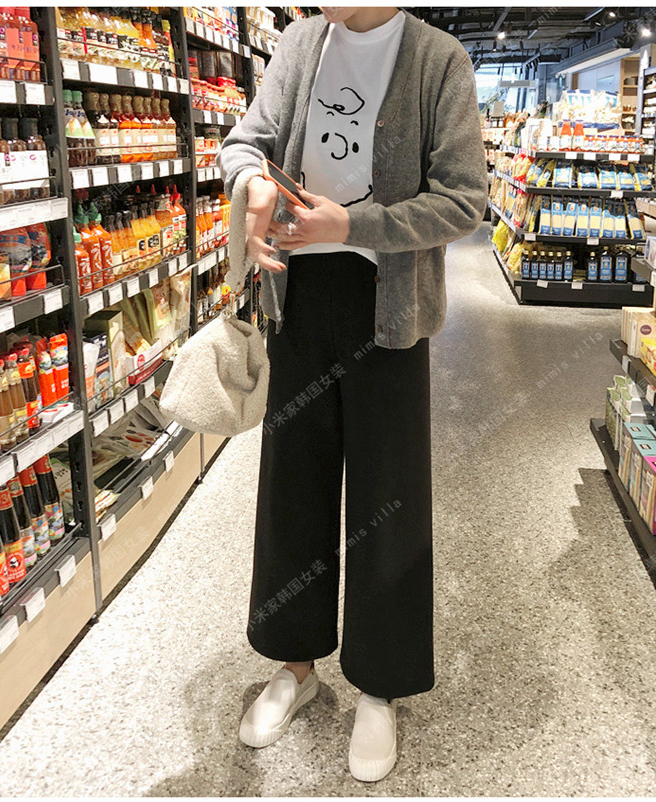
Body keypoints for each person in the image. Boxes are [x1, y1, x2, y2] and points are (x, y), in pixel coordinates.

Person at [216, 5, 486, 784]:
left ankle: (379, 682)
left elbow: (463, 199)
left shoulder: (438, 60)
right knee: (293, 484)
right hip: (298, 300)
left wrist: (354, 225)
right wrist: (252, 183)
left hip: (388, 305)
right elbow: (243, 142)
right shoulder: (302, 41)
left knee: (387, 496)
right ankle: (294, 664)